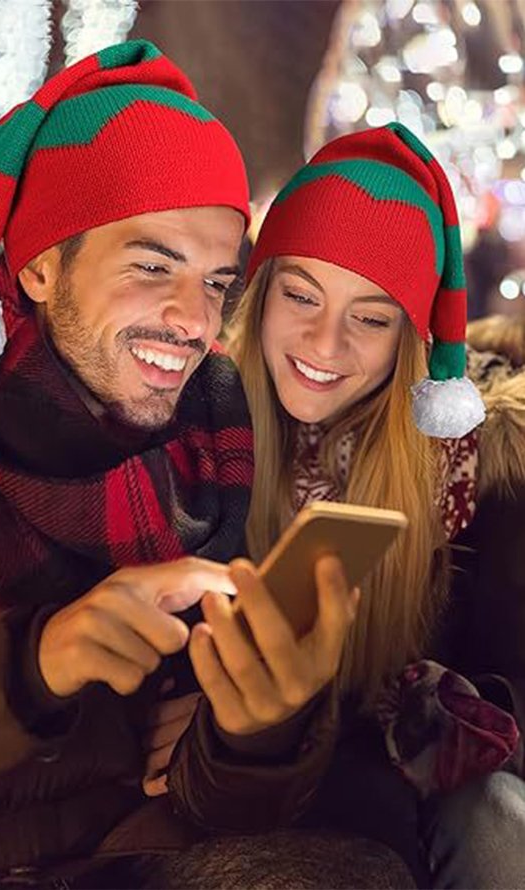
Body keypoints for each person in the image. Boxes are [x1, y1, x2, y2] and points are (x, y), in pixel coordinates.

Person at [0, 38, 261, 886]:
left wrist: (252, 729)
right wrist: (31, 668)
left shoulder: (217, 451)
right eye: (154, 266)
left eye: (218, 282)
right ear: (41, 266)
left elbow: (211, 795)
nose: (196, 321)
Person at [167, 123, 525, 888]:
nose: (325, 344)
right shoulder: (187, 427)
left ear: (408, 339)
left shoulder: (466, 473)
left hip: (398, 804)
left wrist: (454, 708)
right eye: (301, 294)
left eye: (370, 316)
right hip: (218, 799)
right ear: (260, 294)